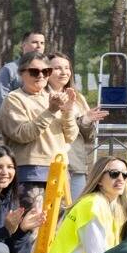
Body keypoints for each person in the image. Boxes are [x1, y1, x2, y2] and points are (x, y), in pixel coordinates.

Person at [0, 51, 76, 196]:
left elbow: (70, 136)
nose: (41, 75)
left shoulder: (53, 98)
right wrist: (51, 111)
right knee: (32, 218)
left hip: (60, 171)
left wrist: (68, 111)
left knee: (59, 219)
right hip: (31, 172)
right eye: (34, 72)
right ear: (21, 74)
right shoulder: (14, 99)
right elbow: (23, 134)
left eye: (46, 71)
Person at [46, 53, 105, 198]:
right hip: (49, 164)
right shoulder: (40, 96)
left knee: (74, 212)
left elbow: (89, 138)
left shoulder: (78, 98)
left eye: (67, 68)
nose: (64, 72)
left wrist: (86, 121)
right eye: (57, 68)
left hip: (75, 164)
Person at [0, 31, 45, 113]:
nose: (39, 46)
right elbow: (0, 102)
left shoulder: (49, 69)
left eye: (42, 43)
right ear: (23, 45)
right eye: (35, 42)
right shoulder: (9, 70)